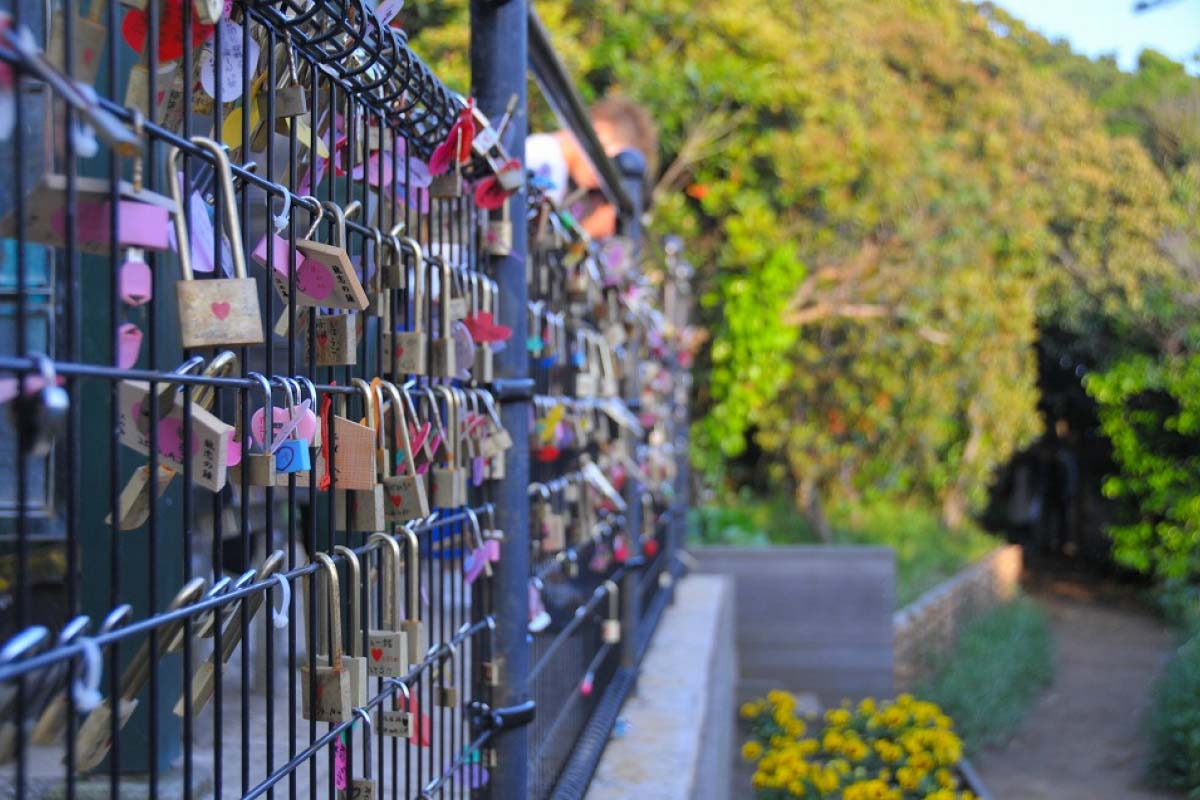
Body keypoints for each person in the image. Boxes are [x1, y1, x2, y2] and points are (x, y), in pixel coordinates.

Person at [526, 95, 658, 239]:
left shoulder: (555, 166)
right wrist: (587, 232)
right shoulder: (547, 159)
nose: (600, 182)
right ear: (600, 131)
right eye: (612, 166)